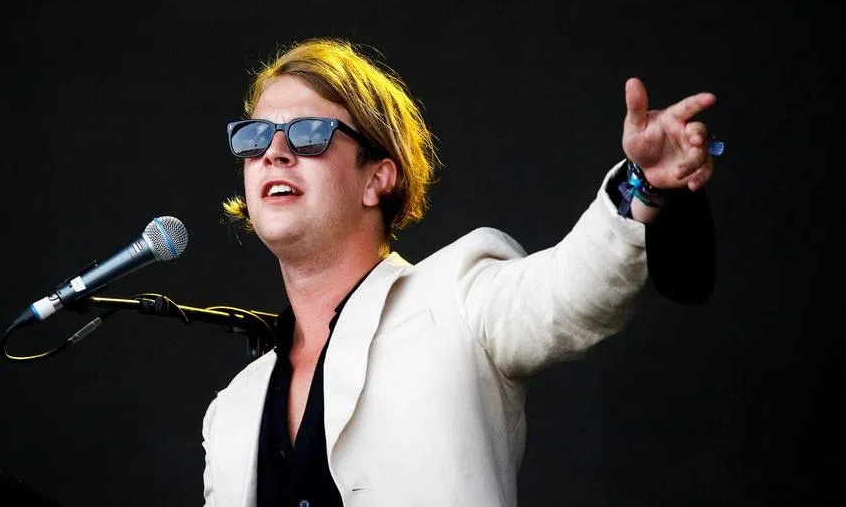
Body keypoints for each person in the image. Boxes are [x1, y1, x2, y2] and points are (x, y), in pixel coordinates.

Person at [202, 38, 718, 506]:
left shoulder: (457, 296)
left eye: (308, 134)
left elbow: (570, 290)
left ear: (377, 178)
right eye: (254, 137)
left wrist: (641, 184)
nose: (273, 152)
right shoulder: (233, 411)